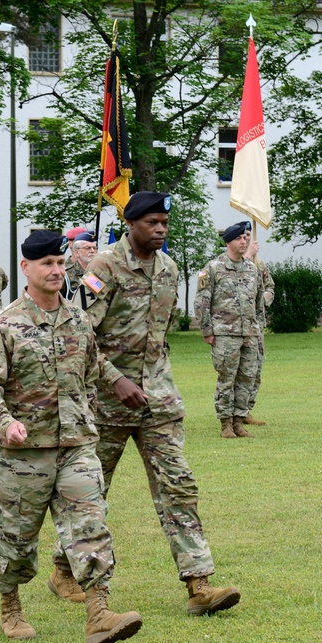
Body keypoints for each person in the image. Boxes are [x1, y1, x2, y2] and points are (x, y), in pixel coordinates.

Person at [68, 191, 240, 616]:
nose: (160, 229)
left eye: (164, 222)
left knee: (178, 485)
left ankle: (199, 584)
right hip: (107, 401)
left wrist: (157, 384)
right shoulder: (102, 266)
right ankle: (63, 568)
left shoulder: (169, 268)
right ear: (131, 224)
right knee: (91, 492)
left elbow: (159, 336)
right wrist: (115, 378)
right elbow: (78, 334)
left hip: (157, 401)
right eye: (152, 223)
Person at [0, 230, 142, 643]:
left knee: (91, 525)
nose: (56, 271)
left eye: (61, 264)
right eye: (47, 264)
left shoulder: (77, 318)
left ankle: (99, 613)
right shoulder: (4, 324)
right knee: (15, 538)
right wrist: (4, 420)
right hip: (23, 454)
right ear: (25, 268)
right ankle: (10, 606)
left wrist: (117, 379)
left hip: (77, 444)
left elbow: (94, 360)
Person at [195, 221, 265, 439]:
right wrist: (207, 330)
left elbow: (259, 300)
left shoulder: (252, 268)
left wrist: (259, 328)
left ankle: (239, 421)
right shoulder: (213, 268)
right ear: (228, 242)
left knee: (247, 378)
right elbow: (202, 302)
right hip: (225, 333)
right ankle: (226, 424)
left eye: (245, 238)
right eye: (238, 238)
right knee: (227, 378)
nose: (243, 241)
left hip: (249, 333)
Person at [242, 232, 275, 425]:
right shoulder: (225, 265)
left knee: (255, 368)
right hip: (234, 329)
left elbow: (270, 286)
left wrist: (263, 300)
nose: (246, 240)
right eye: (242, 237)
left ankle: (246, 409)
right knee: (236, 372)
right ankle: (230, 413)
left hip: (256, 326)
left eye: (248, 236)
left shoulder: (259, 265)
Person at [64, 231, 98, 298]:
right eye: (87, 248)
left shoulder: (99, 273)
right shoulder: (65, 275)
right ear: (76, 252)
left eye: (94, 248)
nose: (92, 251)